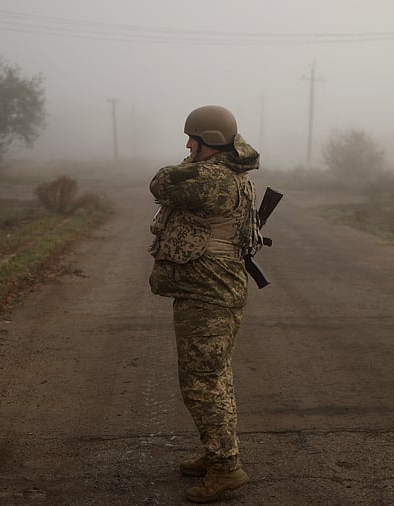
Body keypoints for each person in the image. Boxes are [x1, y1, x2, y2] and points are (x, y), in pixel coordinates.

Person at [148, 105, 261, 503]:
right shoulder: (230, 172)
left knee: (202, 382)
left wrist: (183, 166)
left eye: (191, 140)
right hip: (214, 291)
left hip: (208, 293)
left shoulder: (211, 180)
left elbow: (160, 183)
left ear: (207, 140)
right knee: (215, 377)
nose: (186, 145)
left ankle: (226, 468)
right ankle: (218, 455)